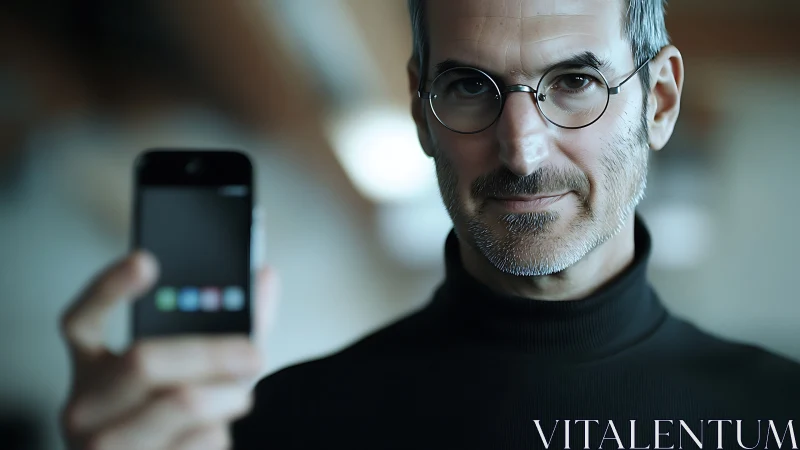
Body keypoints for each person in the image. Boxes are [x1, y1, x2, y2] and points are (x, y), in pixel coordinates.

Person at [60, 0, 800, 449]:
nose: (521, 149)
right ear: (421, 109)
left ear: (662, 100)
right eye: (469, 87)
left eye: (575, 83)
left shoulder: (779, 416)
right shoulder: (273, 431)